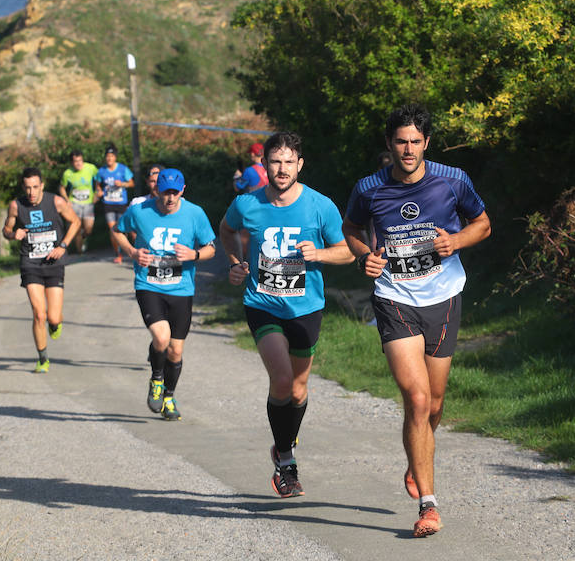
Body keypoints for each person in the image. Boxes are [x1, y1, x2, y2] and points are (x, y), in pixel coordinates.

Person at [342, 104, 491, 538]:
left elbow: (483, 224)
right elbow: (352, 230)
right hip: (393, 299)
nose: (407, 149)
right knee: (418, 400)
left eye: (414, 141)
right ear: (389, 144)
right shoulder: (369, 188)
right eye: (400, 141)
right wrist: (363, 256)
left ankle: (417, 456)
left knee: (437, 403)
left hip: (443, 297)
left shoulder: (453, 180)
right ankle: (429, 504)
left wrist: (456, 240)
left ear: (426, 143)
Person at [219, 131, 353, 498]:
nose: (282, 169)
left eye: (289, 162)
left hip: (306, 306)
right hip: (262, 303)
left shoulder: (319, 205)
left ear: (300, 164)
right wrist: (234, 262)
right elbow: (226, 229)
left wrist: (319, 255)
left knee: (297, 389)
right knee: (280, 380)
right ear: (264, 165)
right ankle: (286, 461)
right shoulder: (247, 203)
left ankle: (282, 444)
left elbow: (348, 251)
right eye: (275, 162)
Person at [111, 168, 216, 421]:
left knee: (176, 350)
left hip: (181, 288)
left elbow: (210, 247)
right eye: (164, 192)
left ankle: (169, 397)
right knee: (161, 337)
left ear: (182, 190)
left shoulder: (195, 214)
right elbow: (117, 230)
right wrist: (133, 252)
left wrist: (195, 255)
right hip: (149, 284)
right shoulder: (140, 211)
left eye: (174, 193)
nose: (169, 198)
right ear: (156, 189)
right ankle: (156, 378)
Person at [2, 167, 81, 373]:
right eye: (27, 188)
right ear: (23, 187)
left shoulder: (56, 202)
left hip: (53, 263)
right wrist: (13, 234)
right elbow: (6, 230)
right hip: (30, 264)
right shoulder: (16, 206)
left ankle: (55, 325)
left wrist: (63, 246)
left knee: (53, 317)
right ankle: (43, 357)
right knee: (39, 314)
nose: (31, 192)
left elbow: (75, 222)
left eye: (35, 187)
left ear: (42, 186)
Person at [96, 143, 134, 263]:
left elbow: (132, 183)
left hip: (121, 203)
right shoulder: (101, 171)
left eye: (111, 156)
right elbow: (97, 183)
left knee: (122, 229)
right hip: (108, 203)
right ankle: (118, 254)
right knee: (112, 229)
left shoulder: (123, 169)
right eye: (107, 156)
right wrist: (99, 190)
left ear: (115, 157)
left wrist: (122, 184)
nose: (109, 158)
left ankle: (127, 249)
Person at [59, 150, 99, 253]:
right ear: (72, 163)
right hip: (74, 203)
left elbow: (99, 179)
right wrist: (66, 200)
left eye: (80, 160)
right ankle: (80, 252)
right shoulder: (67, 173)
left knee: (88, 229)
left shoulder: (91, 168)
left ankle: (84, 238)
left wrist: (97, 192)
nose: (78, 163)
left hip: (88, 203)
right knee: (76, 228)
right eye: (76, 161)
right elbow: (62, 188)